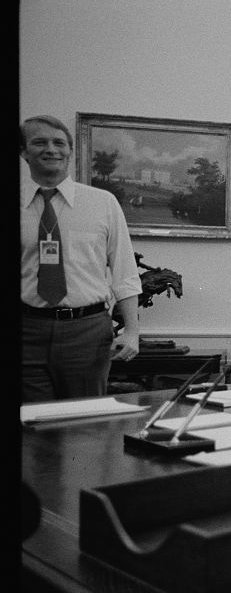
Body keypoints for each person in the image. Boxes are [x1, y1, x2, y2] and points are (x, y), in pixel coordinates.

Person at [20, 115, 142, 401]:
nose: (51, 149)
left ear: (70, 152)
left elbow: (124, 270)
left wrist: (132, 331)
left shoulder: (102, 203)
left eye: (59, 142)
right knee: (33, 426)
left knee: (85, 426)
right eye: (39, 142)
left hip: (87, 332)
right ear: (24, 152)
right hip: (27, 332)